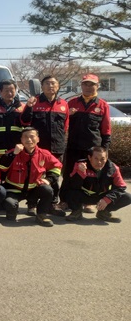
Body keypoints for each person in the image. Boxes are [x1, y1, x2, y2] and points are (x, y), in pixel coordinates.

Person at [61, 73, 111, 214]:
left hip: (92, 149)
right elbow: (62, 125)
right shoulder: (72, 103)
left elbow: (106, 130)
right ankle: (64, 201)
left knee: (90, 175)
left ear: (97, 86)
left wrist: (105, 150)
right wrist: (69, 115)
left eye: (92, 85)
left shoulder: (102, 105)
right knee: (69, 174)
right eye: (85, 84)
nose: (88, 87)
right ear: (81, 86)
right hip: (74, 147)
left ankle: (88, 202)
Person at [20, 75, 69, 214]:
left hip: (57, 147)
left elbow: (65, 126)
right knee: (34, 175)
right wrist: (29, 107)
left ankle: (52, 204)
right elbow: (24, 121)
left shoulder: (63, 104)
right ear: (42, 87)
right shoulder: (34, 101)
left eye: (53, 83)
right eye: (47, 83)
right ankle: (32, 204)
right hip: (38, 149)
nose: (50, 86)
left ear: (58, 86)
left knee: (54, 176)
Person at [0, 127, 62, 227]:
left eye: (32, 137)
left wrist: (48, 179)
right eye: (25, 137)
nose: (29, 139)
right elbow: (1, 166)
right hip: (14, 190)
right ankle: (7, 208)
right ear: (21, 140)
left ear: (38, 139)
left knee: (47, 190)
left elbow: (57, 166)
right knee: (11, 209)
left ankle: (41, 215)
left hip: (33, 190)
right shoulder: (13, 152)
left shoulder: (44, 154)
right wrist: (13, 154)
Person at [63, 146, 130, 223]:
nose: (99, 162)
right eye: (96, 159)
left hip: (102, 198)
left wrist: (108, 199)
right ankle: (76, 211)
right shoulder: (80, 165)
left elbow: (121, 187)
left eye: (102, 159)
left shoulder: (113, 168)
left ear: (107, 158)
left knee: (127, 197)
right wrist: (80, 173)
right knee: (68, 190)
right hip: (83, 196)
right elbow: (73, 185)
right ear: (89, 157)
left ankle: (103, 212)